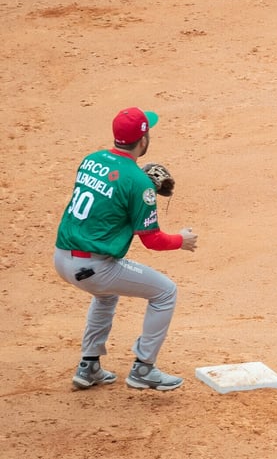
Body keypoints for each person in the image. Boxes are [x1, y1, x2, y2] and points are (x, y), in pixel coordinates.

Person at [53, 107, 198, 391]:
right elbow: (152, 240)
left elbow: (108, 196)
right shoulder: (139, 183)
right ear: (143, 141)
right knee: (165, 292)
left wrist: (136, 184)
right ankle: (144, 368)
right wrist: (182, 239)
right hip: (94, 267)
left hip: (61, 257)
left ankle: (89, 366)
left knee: (106, 297)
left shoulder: (91, 159)